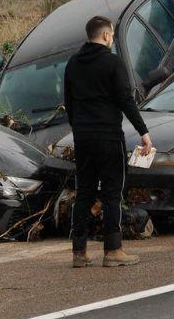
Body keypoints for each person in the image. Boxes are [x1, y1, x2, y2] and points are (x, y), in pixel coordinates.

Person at [63, 16, 153, 268]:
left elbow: (68, 101)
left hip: (83, 137)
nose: (112, 38)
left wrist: (78, 125)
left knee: (85, 193)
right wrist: (143, 131)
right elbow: (126, 100)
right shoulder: (113, 63)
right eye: (112, 34)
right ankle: (113, 249)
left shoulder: (73, 63)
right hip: (108, 135)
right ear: (105, 36)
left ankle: (79, 251)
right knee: (112, 192)